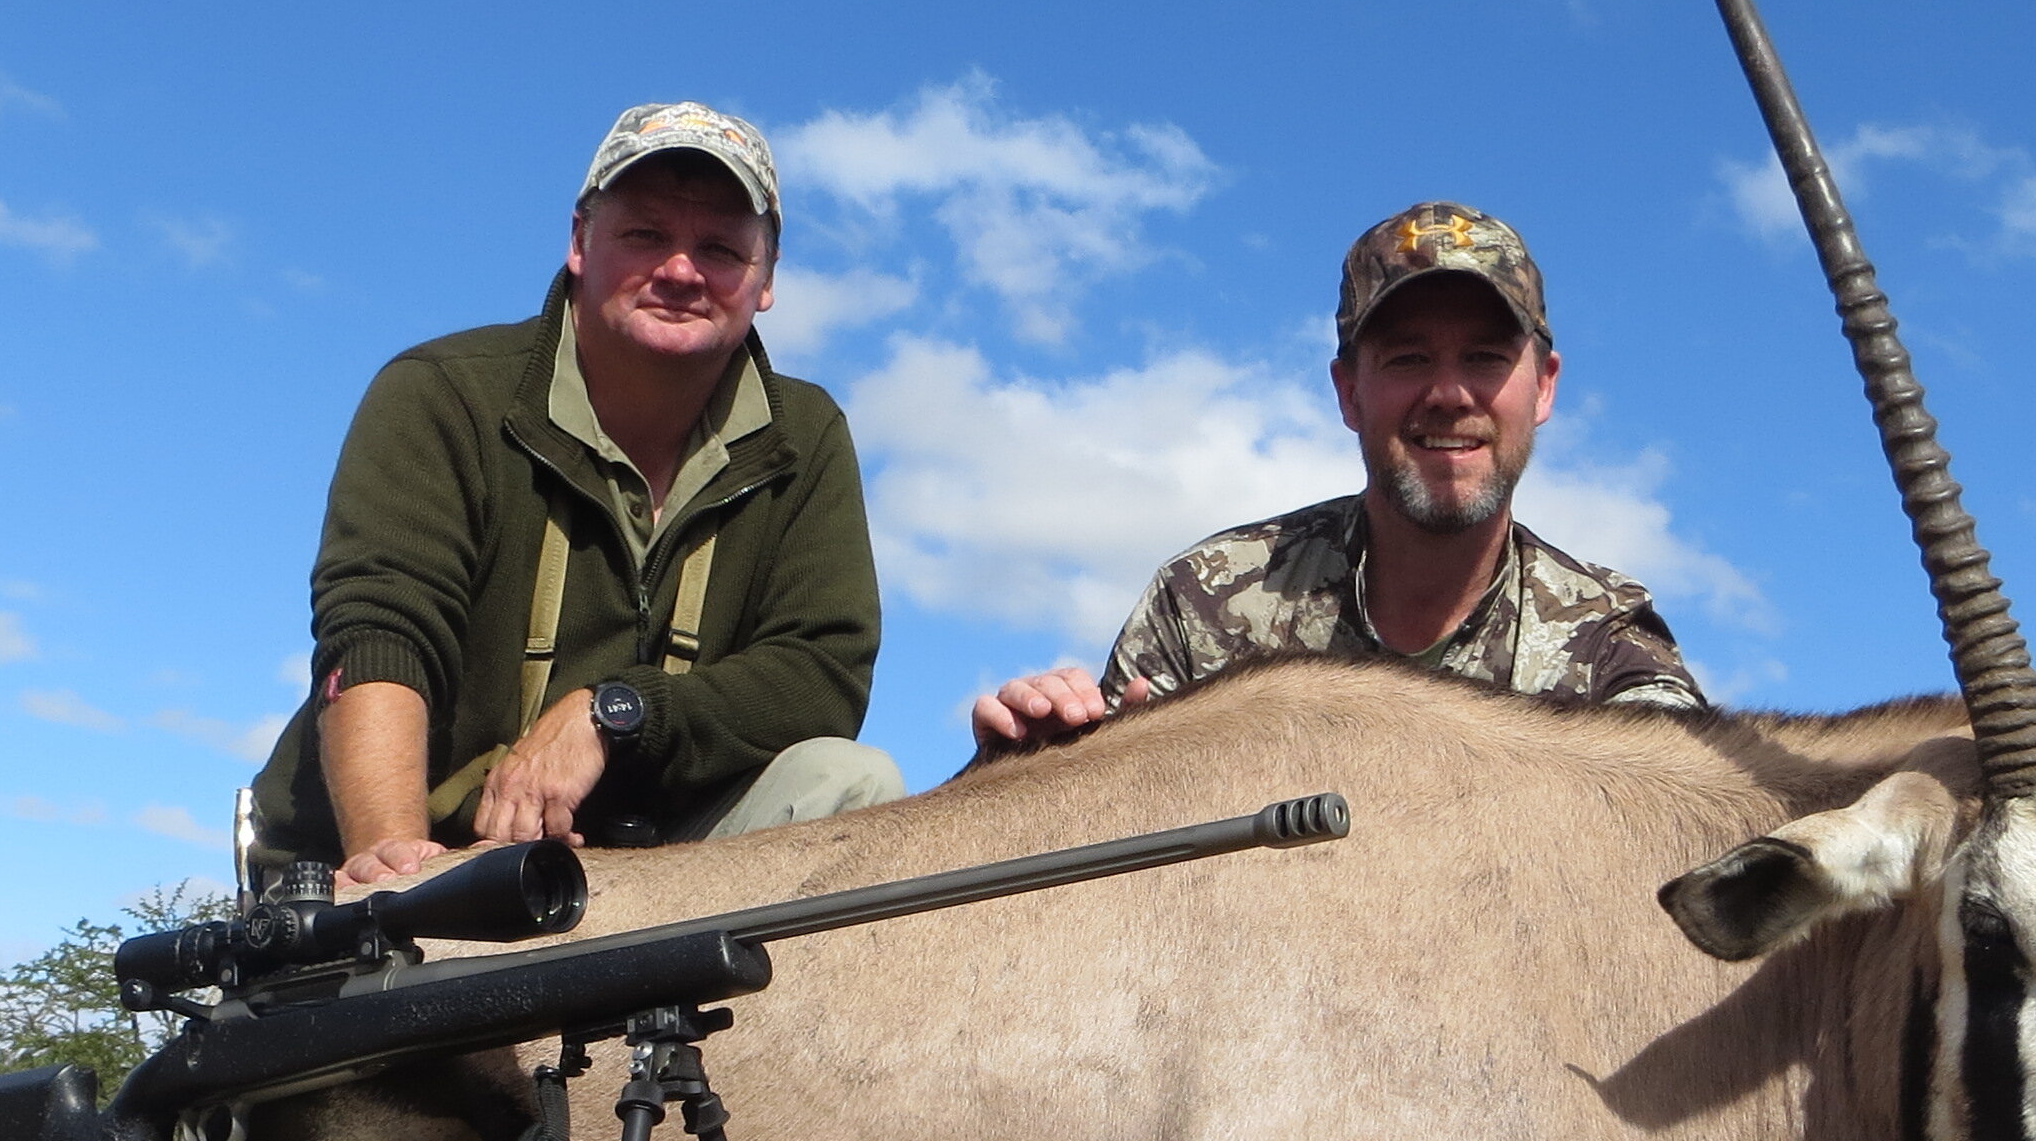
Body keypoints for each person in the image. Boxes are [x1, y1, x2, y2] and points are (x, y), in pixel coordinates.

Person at [248, 102, 899, 894]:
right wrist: (392, 864)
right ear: (580, 241)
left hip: (648, 869)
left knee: (850, 778)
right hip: (422, 853)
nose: (682, 271)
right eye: (645, 235)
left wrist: (617, 713)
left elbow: (821, 675)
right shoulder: (441, 393)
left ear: (765, 281)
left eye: (722, 248)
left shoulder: (809, 433)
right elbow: (381, 636)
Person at [970, 201, 1703, 752]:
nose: (1449, 394)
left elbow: (1691, 821)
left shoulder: (1609, 639)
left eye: (1484, 357)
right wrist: (1027, 771)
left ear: (1543, 389)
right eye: (1408, 359)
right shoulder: (1204, 599)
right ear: (1349, 392)